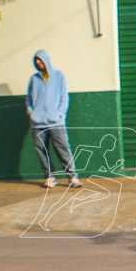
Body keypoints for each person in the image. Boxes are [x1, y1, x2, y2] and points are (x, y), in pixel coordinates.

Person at [26, 50, 81, 188]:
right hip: (38, 123)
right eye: (36, 61)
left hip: (56, 122)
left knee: (63, 149)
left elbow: (64, 97)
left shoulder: (59, 76)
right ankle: (50, 177)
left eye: (40, 60)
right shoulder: (34, 79)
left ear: (45, 60)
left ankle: (72, 177)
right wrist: (31, 113)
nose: (38, 63)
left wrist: (60, 114)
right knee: (41, 150)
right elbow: (29, 99)